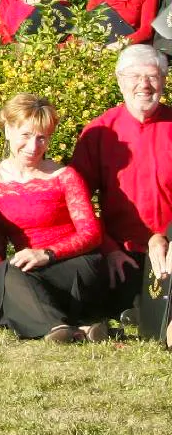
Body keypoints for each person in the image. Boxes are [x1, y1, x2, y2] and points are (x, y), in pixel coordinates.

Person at [0, 94, 107, 342]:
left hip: (75, 264)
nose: (33, 146)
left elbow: (91, 233)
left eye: (42, 138)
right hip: (27, 268)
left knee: (10, 280)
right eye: (25, 135)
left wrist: (47, 253)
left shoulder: (65, 176)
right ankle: (78, 329)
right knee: (4, 275)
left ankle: (55, 327)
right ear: (8, 131)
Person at [71, 45, 172, 324]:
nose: (144, 85)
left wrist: (165, 238)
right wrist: (108, 248)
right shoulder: (100, 132)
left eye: (152, 76)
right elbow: (76, 201)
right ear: (119, 80)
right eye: (134, 76)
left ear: (164, 80)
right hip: (122, 250)